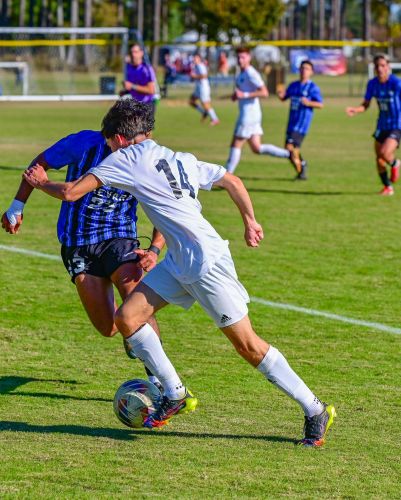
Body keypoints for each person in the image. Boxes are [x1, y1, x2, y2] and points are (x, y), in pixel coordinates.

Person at [23, 99, 336, 447]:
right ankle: (175, 393)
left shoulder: (123, 158)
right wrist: (250, 220)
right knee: (127, 318)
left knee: (248, 346)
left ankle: (315, 408)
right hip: (179, 261)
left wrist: (39, 182)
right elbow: (231, 180)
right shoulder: (177, 157)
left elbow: (70, 193)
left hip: (206, 265)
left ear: (121, 140)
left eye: (109, 140)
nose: (106, 147)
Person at [1, 128, 165, 387]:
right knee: (109, 327)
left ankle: (161, 385)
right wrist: (16, 206)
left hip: (119, 237)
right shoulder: (85, 143)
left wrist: (154, 249)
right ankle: (130, 333)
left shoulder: (148, 158)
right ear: (120, 137)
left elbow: (168, 208)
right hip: (78, 244)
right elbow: (40, 163)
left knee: (135, 300)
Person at [346, 53, 401, 196]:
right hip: (381, 125)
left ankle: (395, 163)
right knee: (378, 158)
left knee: (385, 153)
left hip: (396, 125)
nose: (380, 69)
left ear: (388, 67)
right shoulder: (372, 84)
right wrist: (356, 110)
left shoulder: (396, 83)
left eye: (383, 65)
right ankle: (388, 187)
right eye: (377, 66)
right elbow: (366, 104)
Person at [262, 60, 323, 180]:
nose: (303, 71)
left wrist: (309, 102)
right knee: (289, 150)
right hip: (291, 123)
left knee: (290, 147)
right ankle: (302, 168)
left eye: (306, 68)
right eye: (302, 68)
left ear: (311, 72)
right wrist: (280, 93)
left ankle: (302, 167)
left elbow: (320, 104)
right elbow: (284, 98)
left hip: (302, 125)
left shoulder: (313, 88)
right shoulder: (294, 85)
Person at [225, 47, 273, 174]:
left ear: (249, 58)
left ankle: (226, 177)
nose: (240, 60)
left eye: (243, 57)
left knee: (236, 143)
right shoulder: (241, 73)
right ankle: (288, 154)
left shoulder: (251, 73)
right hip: (252, 114)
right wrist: (237, 95)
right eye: (239, 57)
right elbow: (243, 91)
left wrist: (244, 95)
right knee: (257, 148)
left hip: (248, 115)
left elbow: (265, 92)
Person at [122, 44, 156, 110]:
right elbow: (134, 88)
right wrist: (125, 92)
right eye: (131, 52)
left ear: (141, 53)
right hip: (134, 105)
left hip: (146, 105)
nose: (133, 54)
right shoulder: (129, 68)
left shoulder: (146, 69)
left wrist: (132, 86)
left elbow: (151, 90)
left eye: (135, 52)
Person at [189, 53, 219, 126]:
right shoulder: (195, 66)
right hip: (198, 87)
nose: (194, 60)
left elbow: (205, 75)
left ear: (199, 59)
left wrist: (195, 76)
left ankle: (215, 119)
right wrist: (192, 77)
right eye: (194, 58)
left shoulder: (201, 66)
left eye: (196, 58)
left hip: (203, 87)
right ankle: (204, 112)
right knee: (191, 101)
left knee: (205, 104)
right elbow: (194, 78)